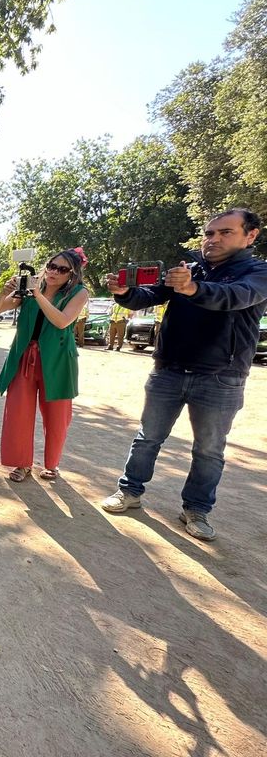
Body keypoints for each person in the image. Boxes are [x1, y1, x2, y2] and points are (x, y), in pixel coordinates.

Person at [99, 208, 267, 542]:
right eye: (209, 233)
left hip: (221, 377)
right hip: (169, 369)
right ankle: (129, 491)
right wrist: (124, 293)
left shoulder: (257, 272)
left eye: (225, 232)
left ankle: (196, 510)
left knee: (209, 449)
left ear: (250, 236)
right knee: (148, 437)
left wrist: (193, 288)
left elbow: (235, 297)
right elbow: (150, 295)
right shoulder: (188, 266)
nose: (213, 239)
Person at [0, 249, 89, 482]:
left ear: (72, 273)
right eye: (51, 266)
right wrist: (4, 292)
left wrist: (37, 294)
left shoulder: (79, 292)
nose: (54, 272)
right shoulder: (31, 287)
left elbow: (62, 321)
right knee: (18, 412)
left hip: (58, 360)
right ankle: (21, 463)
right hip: (24, 357)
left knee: (57, 416)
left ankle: (52, 464)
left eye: (62, 269)